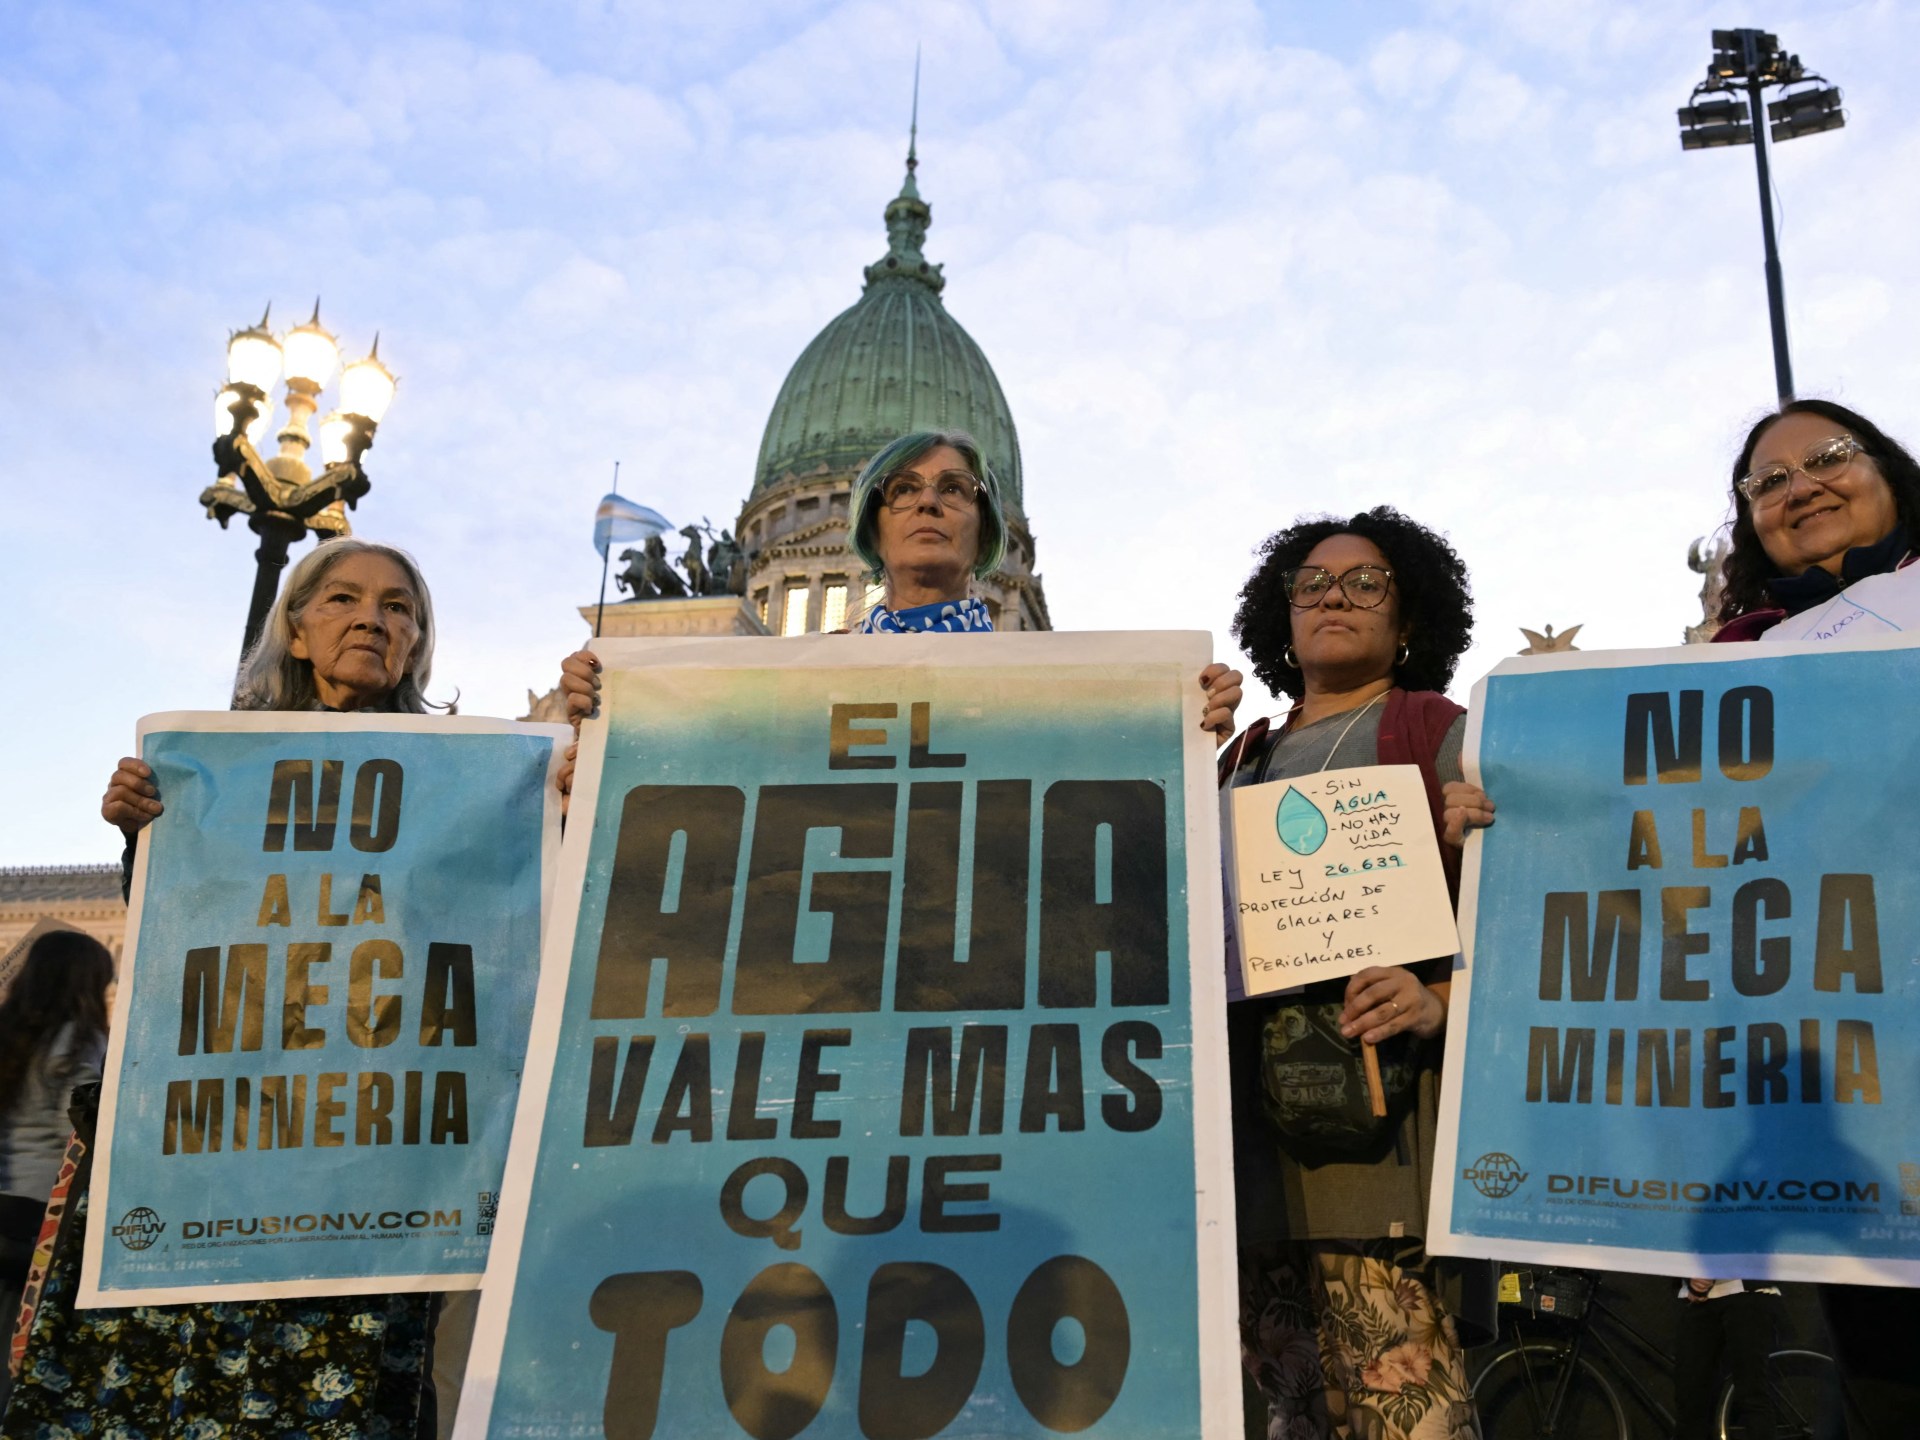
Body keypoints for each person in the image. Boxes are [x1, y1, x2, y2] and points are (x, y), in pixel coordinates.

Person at [6, 540, 448, 1440]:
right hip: (213, 1146)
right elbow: (185, 933)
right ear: (295, 629)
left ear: (416, 644)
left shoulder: (457, 787)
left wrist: (578, 768)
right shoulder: (215, 776)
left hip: (362, 1154)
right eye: (343, 599)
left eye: (399, 607)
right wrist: (144, 836)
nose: (373, 619)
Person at [1220, 506, 1489, 1440]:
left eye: (1366, 582)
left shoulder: (1440, 731)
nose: (1335, 596)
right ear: (1283, 616)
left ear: (1408, 618)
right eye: (1312, 584)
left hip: (1379, 1142)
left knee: (1408, 1409)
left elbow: (1535, 896)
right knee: (1294, 1410)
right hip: (1251, 1150)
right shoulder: (1239, 754)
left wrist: (1440, 998)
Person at [556, 429, 1243, 769]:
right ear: (870, 530)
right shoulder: (795, 689)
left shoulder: (1057, 697)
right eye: (903, 490)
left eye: (955, 490)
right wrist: (617, 729)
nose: (928, 504)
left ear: (987, 533)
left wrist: (1178, 725)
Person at [1707, 400, 1920, 1437]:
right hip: (1856, 1080)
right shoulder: (1729, 659)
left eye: (1828, 457)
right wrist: (1509, 809)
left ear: (1890, 472)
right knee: (1884, 1379)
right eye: (1768, 482)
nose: (1800, 488)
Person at [0, 929, 113, 1414]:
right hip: (43, 1218)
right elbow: (81, 1130)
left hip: (4, 1203)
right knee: (26, 1352)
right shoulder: (81, 1040)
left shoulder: (8, 1032)